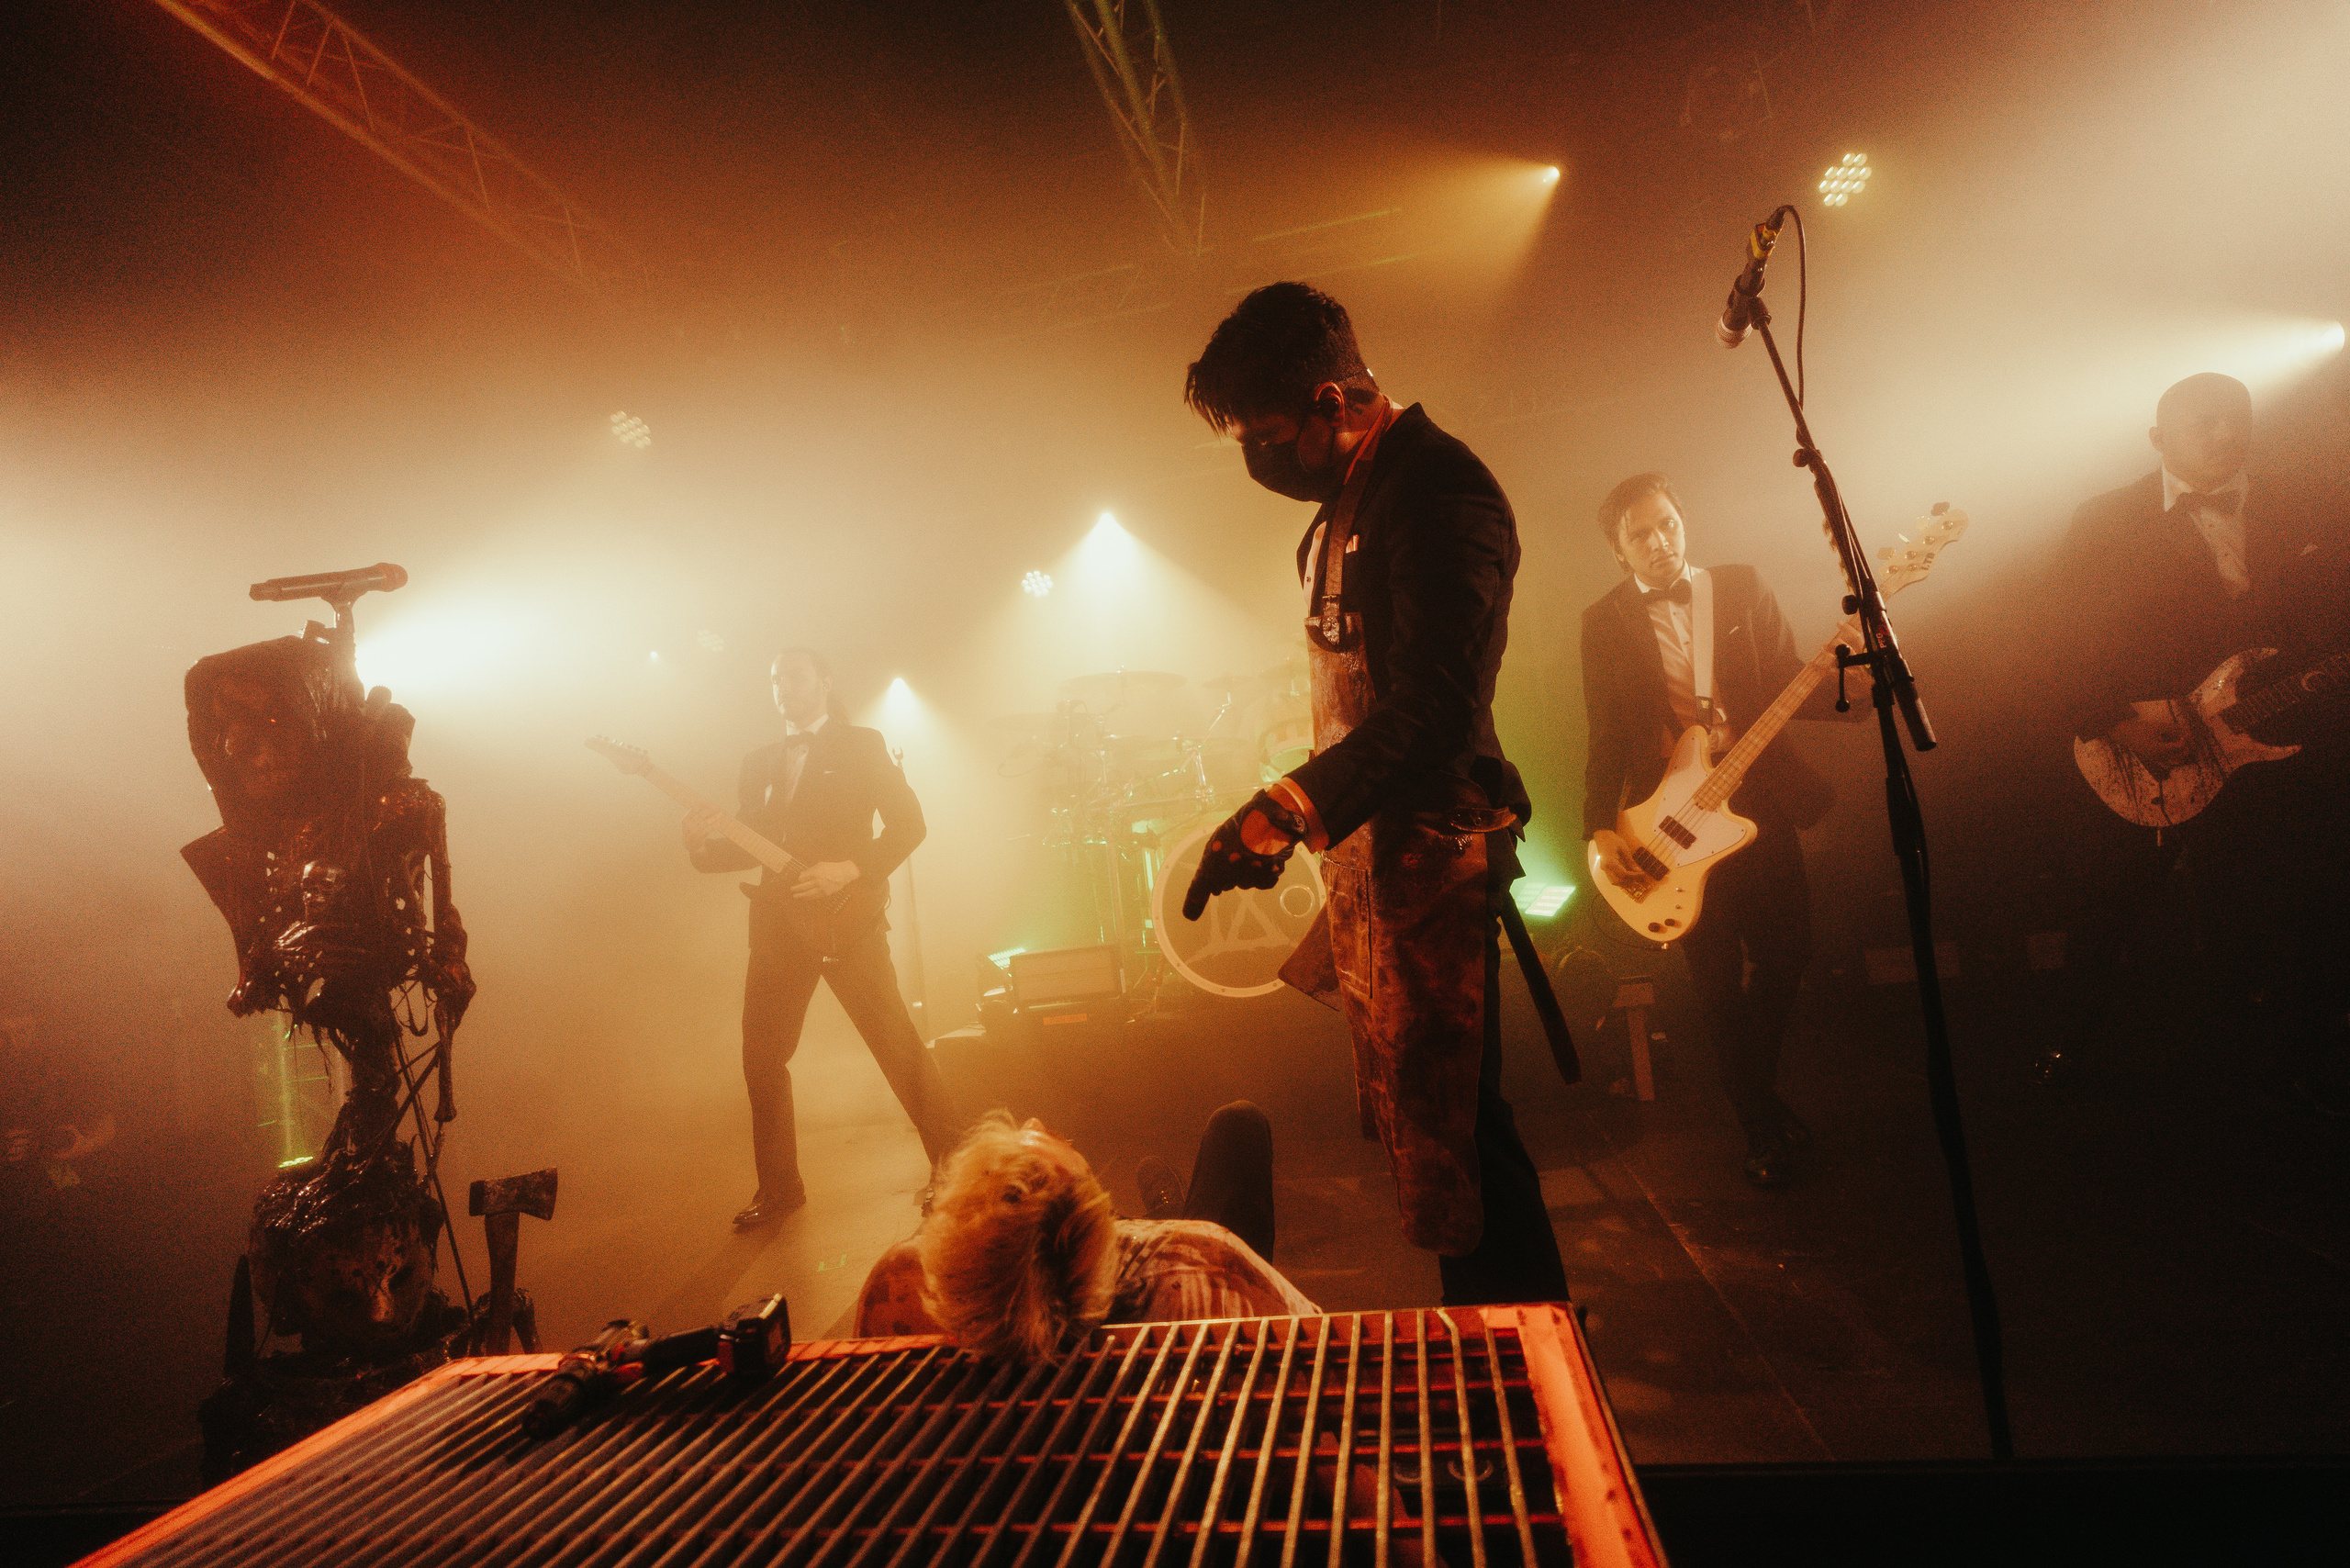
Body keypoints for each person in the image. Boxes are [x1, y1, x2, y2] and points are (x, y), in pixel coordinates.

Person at [1176, 282, 1570, 1307]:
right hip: (1379, 861)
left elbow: (1435, 703)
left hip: (1438, 853)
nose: (1258, 462)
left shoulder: (1441, 492)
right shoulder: (1355, 494)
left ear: (1329, 401)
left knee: (1463, 1137)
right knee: (1431, 1130)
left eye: (1267, 437)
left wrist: (1286, 808)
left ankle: (1521, 1350)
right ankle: (1495, 1338)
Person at [2048, 374, 2350, 1104]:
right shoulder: (2104, 520)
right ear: (2157, 438)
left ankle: (2290, 1066)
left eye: (2237, 418)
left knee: (2290, 908)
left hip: (2287, 737)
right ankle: (2068, 1057)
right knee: (2109, 911)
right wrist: (2117, 721)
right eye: (2204, 422)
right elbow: (2053, 640)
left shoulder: (2311, 502)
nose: (2226, 433)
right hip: (2151, 746)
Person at [1580, 473, 1840, 1186]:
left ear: (1682, 521)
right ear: (1619, 550)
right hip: (1673, 823)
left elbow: (1787, 678)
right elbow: (1605, 735)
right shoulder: (1602, 622)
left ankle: (1754, 1093)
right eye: (1640, 535)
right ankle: (1761, 1130)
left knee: (1790, 952)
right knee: (1718, 982)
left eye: (1667, 524)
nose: (1659, 542)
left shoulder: (1740, 586)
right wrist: (1598, 828)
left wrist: (1860, 682)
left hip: (1758, 797)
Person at [685, 647, 953, 1228]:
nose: (783, 687)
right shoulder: (758, 761)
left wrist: (850, 870)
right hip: (777, 928)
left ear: (825, 682)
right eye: (774, 679)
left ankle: (954, 1169)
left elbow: (910, 825)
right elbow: (746, 848)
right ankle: (779, 1189)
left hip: (846, 920)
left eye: (795, 676)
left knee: (896, 1046)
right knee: (761, 1058)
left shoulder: (862, 745)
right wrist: (700, 844)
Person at [853, 1103, 1315, 1357]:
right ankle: (1167, 1212)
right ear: (1110, 1243)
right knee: (1237, 1126)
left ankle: (1162, 1208)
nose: (1034, 1121)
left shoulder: (896, 1283)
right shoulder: (1202, 1263)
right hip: (1183, 1265)